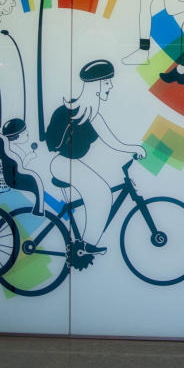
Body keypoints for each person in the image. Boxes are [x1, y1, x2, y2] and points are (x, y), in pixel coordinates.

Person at [45, 60, 146, 254]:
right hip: (63, 163)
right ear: (97, 84)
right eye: (107, 82)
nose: (110, 86)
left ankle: (85, 243)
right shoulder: (77, 111)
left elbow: (112, 141)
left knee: (99, 188)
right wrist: (132, 149)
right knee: (100, 193)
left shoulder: (90, 113)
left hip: (70, 163)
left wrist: (132, 148)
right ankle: (86, 246)